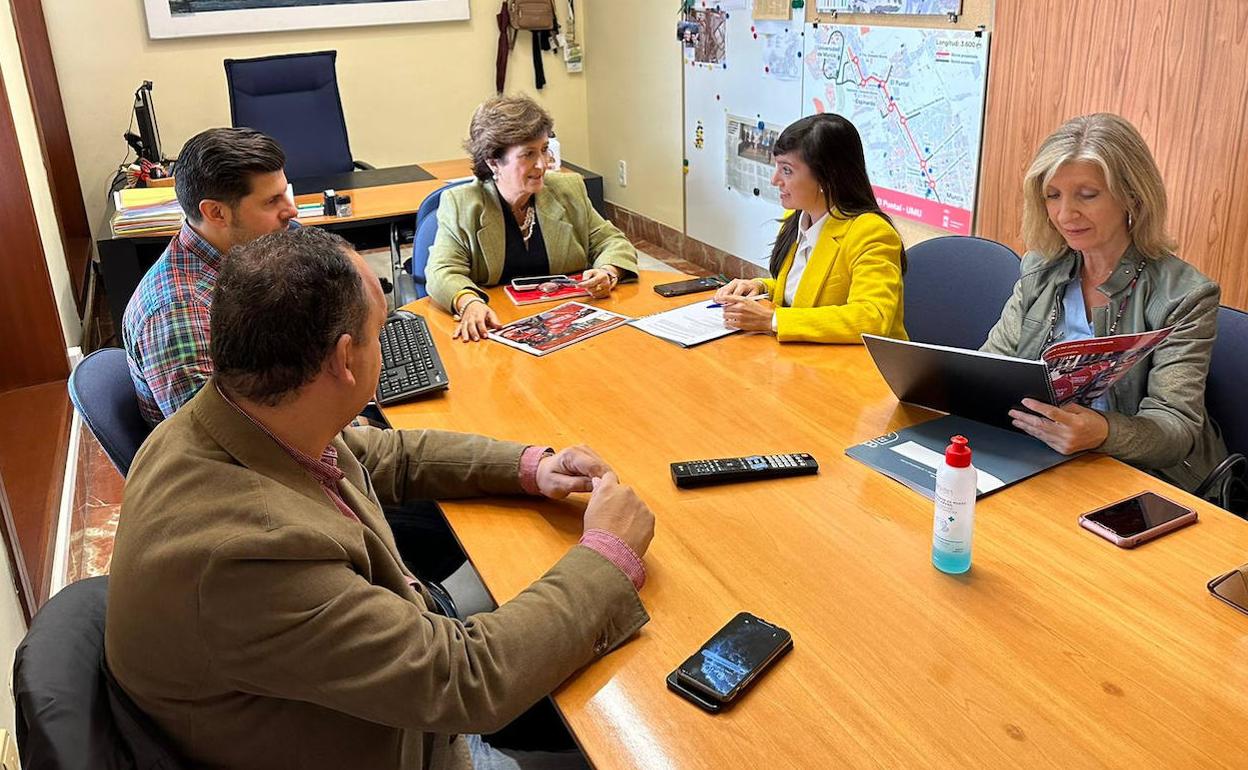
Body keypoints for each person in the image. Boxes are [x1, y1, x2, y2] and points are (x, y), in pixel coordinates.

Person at [105, 226, 656, 769]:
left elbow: (388, 454)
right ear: (345, 359)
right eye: (381, 331)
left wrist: (532, 467)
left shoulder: (233, 416)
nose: (387, 344)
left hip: (353, 698)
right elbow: (463, 679)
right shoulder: (250, 553)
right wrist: (609, 553)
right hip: (395, 737)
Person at [982, 113, 1227, 492]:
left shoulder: (1185, 295)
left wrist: (1103, 432)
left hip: (1137, 475)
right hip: (1041, 456)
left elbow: (1176, 429)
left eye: (1087, 195)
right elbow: (991, 366)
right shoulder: (1040, 268)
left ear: (1132, 195)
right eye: (1053, 195)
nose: (1065, 214)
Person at [426, 94, 638, 342]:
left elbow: (612, 241)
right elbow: (442, 271)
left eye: (544, 150)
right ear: (494, 162)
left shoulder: (568, 189)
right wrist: (468, 302)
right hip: (497, 328)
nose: (542, 164)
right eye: (528, 154)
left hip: (567, 327)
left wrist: (608, 271)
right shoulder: (462, 204)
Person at [122, 127, 298, 425]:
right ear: (216, 213)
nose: (292, 211)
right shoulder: (180, 312)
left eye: (287, 193)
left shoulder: (241, 258)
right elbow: (217, 437)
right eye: (272, 201)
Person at [713, 114, 907, 343]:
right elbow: (804, 295)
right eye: (777, 167)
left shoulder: (871, 232)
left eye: (787, 170)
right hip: (807, 355)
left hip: (859, 361)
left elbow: (872, 318)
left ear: (827, 177)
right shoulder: (797, 217)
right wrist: (760, 287)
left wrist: (773, 320)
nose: (774, 180)